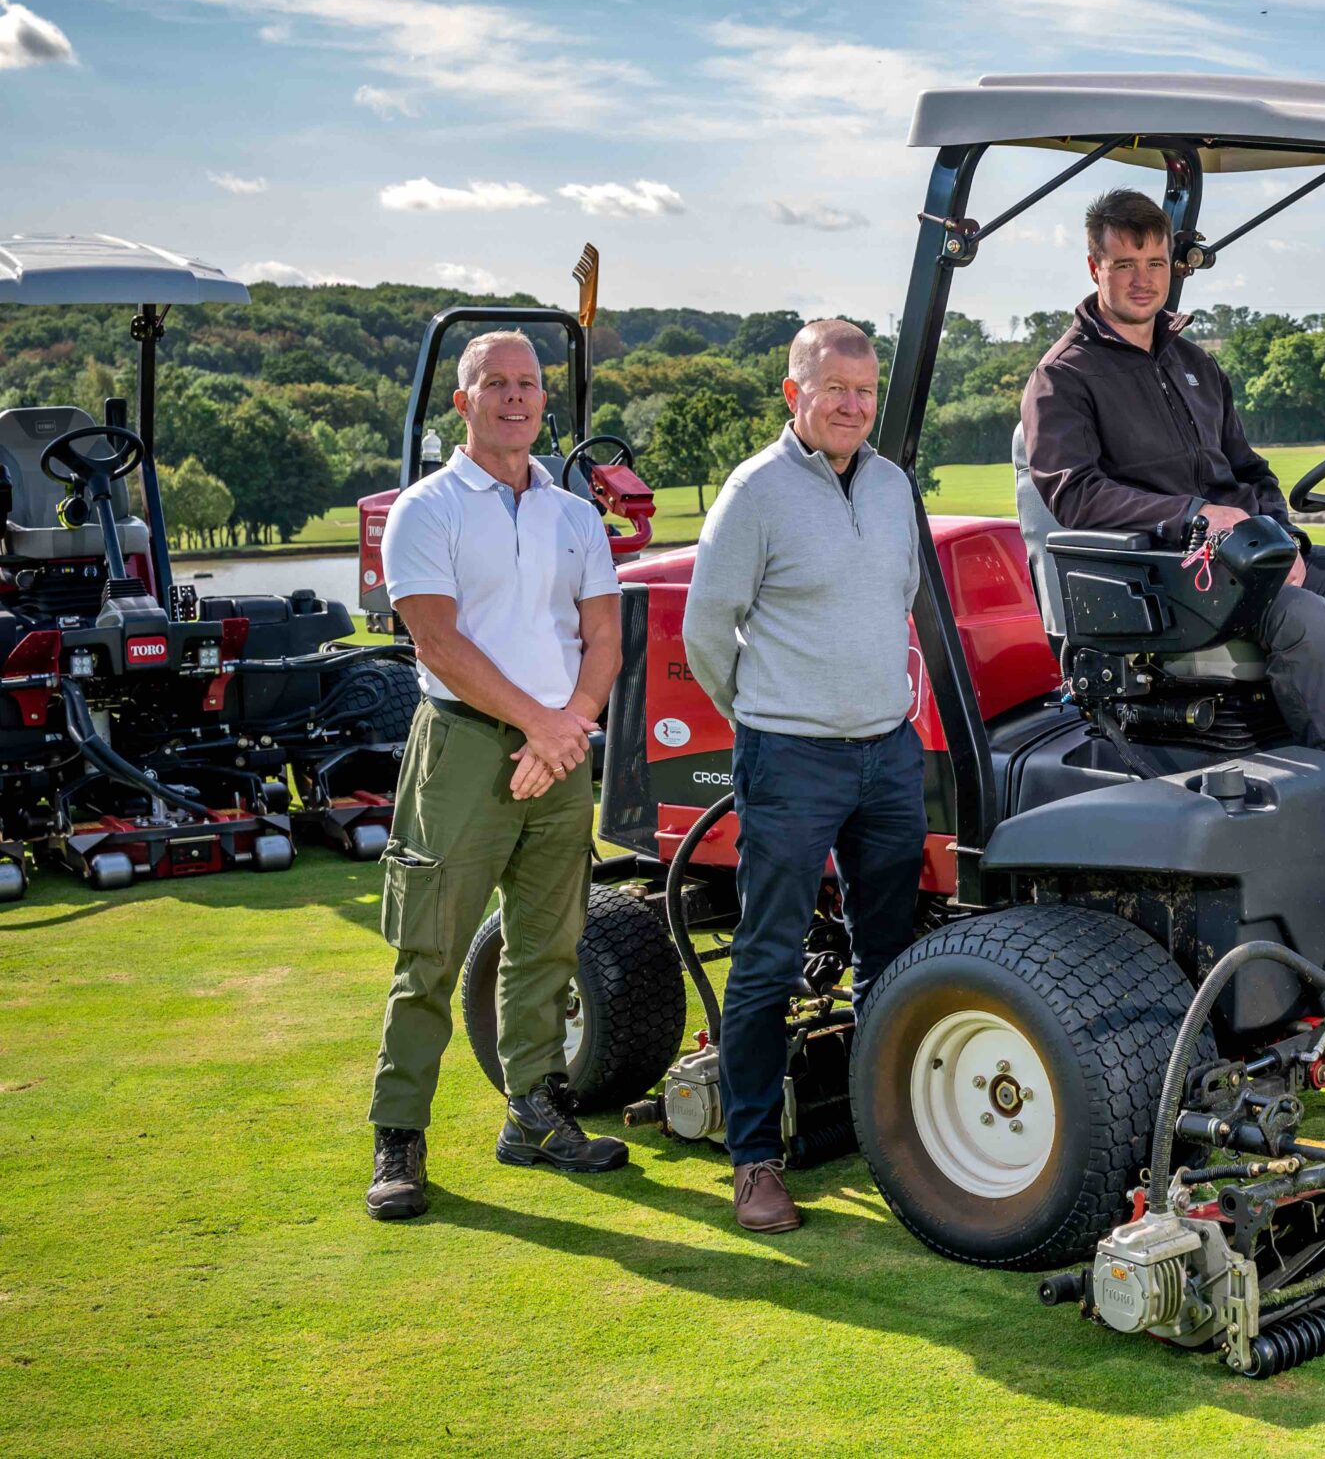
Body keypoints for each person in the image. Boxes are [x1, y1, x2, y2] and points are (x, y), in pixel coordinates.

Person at [1021, 188, 1325, 833]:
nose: (1143, 281)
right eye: (1125, 265)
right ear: (1094, 269)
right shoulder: (1065, 376)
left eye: (1156, 264)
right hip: (1162, 577)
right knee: (1303, 617)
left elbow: (1251, 471)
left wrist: (1288, 541)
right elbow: (1075, 492)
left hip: (1248, 558)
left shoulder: (1194, 363)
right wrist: (1194, 514)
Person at [365, 330, 628, 1222]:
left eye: (529, 385)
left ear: (543, 402)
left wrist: (569, 727)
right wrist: (541, 725)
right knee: (431, 950)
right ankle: (398, 1136)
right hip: (468, 746)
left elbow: (605, 638)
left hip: (561, 749)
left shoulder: (575, 514)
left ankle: (535, 1115)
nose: (516, 398)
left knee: (548, 945)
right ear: (463, 401)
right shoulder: (427, 508)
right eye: (497, 385)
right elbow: (437, 641)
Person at [683, 320, 923, 1234]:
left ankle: (894, 1136)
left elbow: (894, 598)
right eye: (835, 389)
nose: (853, 405)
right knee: (770, 961)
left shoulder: (895, 484)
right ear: (794, 393)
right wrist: (762, 714)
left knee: (890, 954)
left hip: (888, 752)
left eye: (865, 390)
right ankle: (754, 1160)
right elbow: (710, 629)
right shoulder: (754, 493)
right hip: (789, 757)